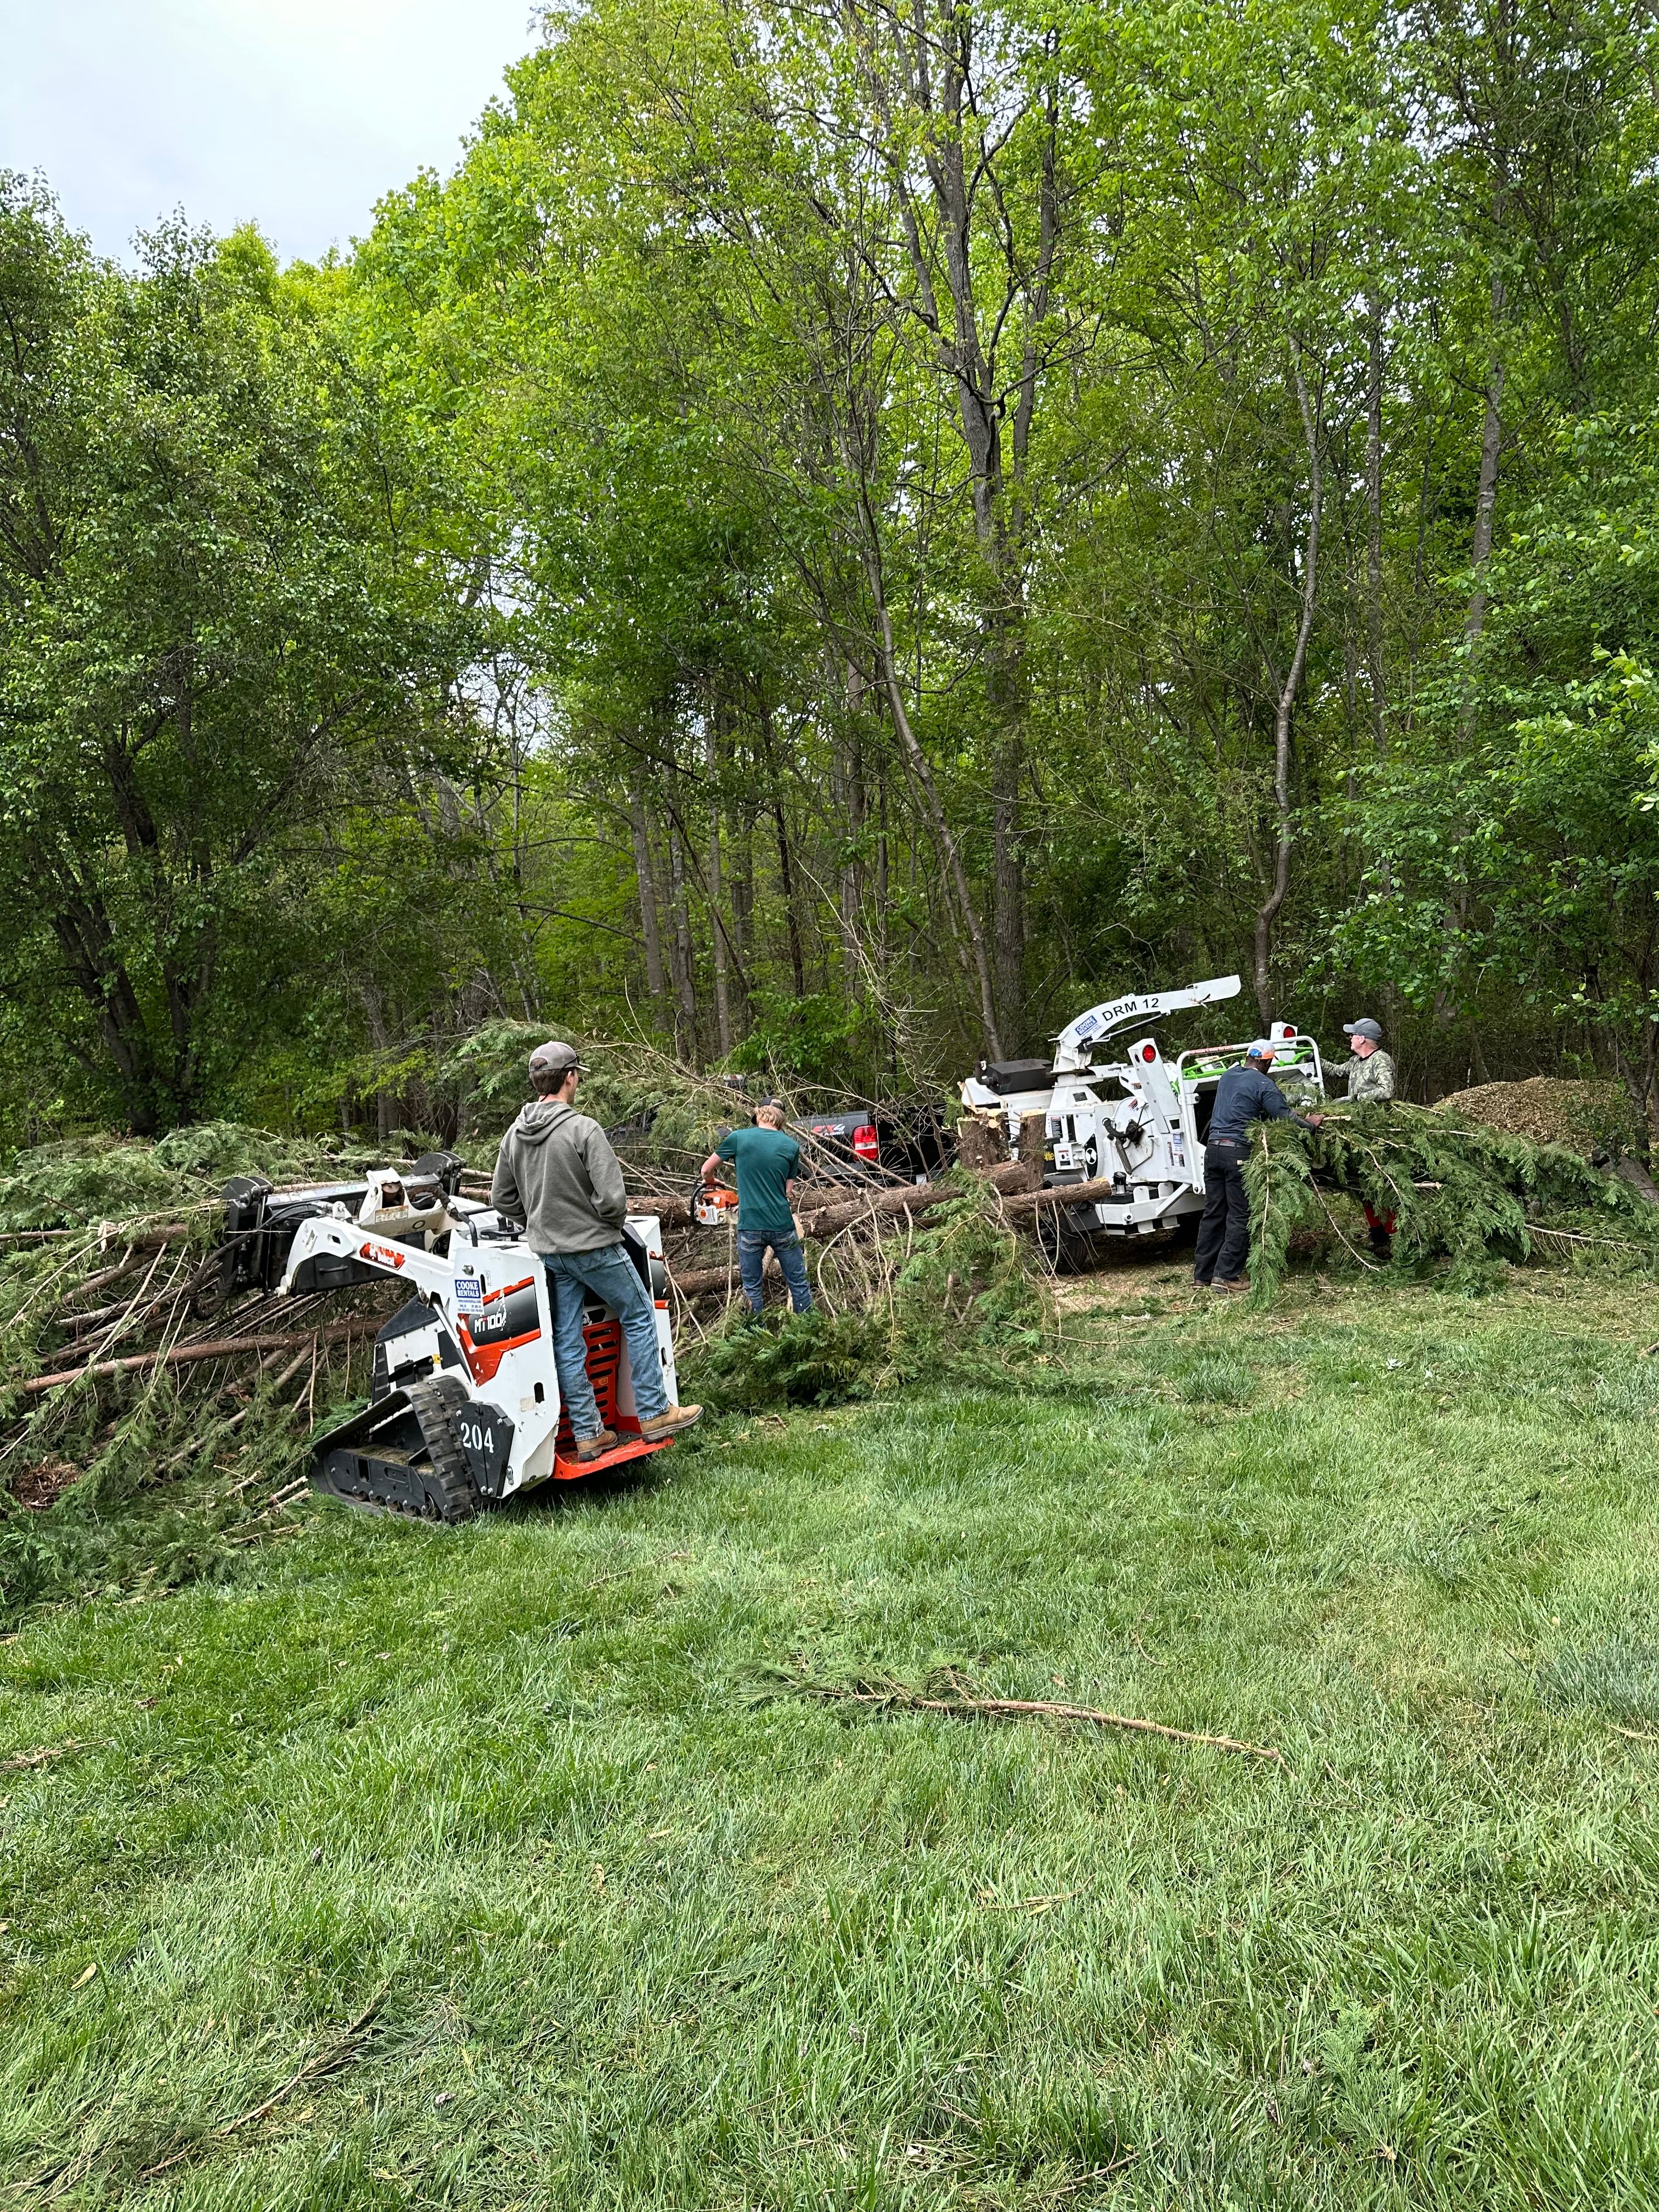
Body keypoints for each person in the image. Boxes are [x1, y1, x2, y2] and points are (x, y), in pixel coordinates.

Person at [491, 1040, 701, 1457]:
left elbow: (502, 1198)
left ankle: (589, 1433)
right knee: (639, 1314)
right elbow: (613, 1201)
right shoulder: (583, 1129)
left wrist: (538, 1222)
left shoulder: (515, 1135)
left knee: (567, 1340)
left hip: (551, 1255)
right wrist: (602, 1225)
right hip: (595, 1248)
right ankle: (654, 1412)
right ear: (570, 1078)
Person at [1193, 1040, 1324, 1293]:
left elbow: (1245, 1108)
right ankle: (1225, 1276)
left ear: (1248, 1057)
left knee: (1214, 1212)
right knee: (1240, 1214)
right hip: (1237, 1153)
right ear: (1267, 1062)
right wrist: (1310, 1125)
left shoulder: (1228, 1076)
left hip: (1213, 1150)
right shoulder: (1264, 1084)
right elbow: (1284, 1118)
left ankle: (1203, 1275)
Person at [700, 1098, 814, 1320]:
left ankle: (754, 1334)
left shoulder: (738, 1138)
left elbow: (706, 1169)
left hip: (750, 1224)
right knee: (798, 1282)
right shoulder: (791, 1146)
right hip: (782, 1224)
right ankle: (808, 1329)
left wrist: (712, 1182)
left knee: (752, 1288)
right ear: (781, 1120)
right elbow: (788, 1190)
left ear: (759, 1115)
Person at [1336, 1016, 1397, 1256]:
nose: (1350, 1038)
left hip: (1377, 1133)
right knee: (1363, 1188)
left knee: (1380, 1186)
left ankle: (1394, 1239)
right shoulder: (1355, 1061)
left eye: (1353, 1035)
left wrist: (1355, 1099)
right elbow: (1336, 1071)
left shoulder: (1380, 1060)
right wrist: (1311, 1058)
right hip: (1357, 1132)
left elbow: (1386, 1090)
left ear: (1362, 1039)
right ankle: (1378, 1237)